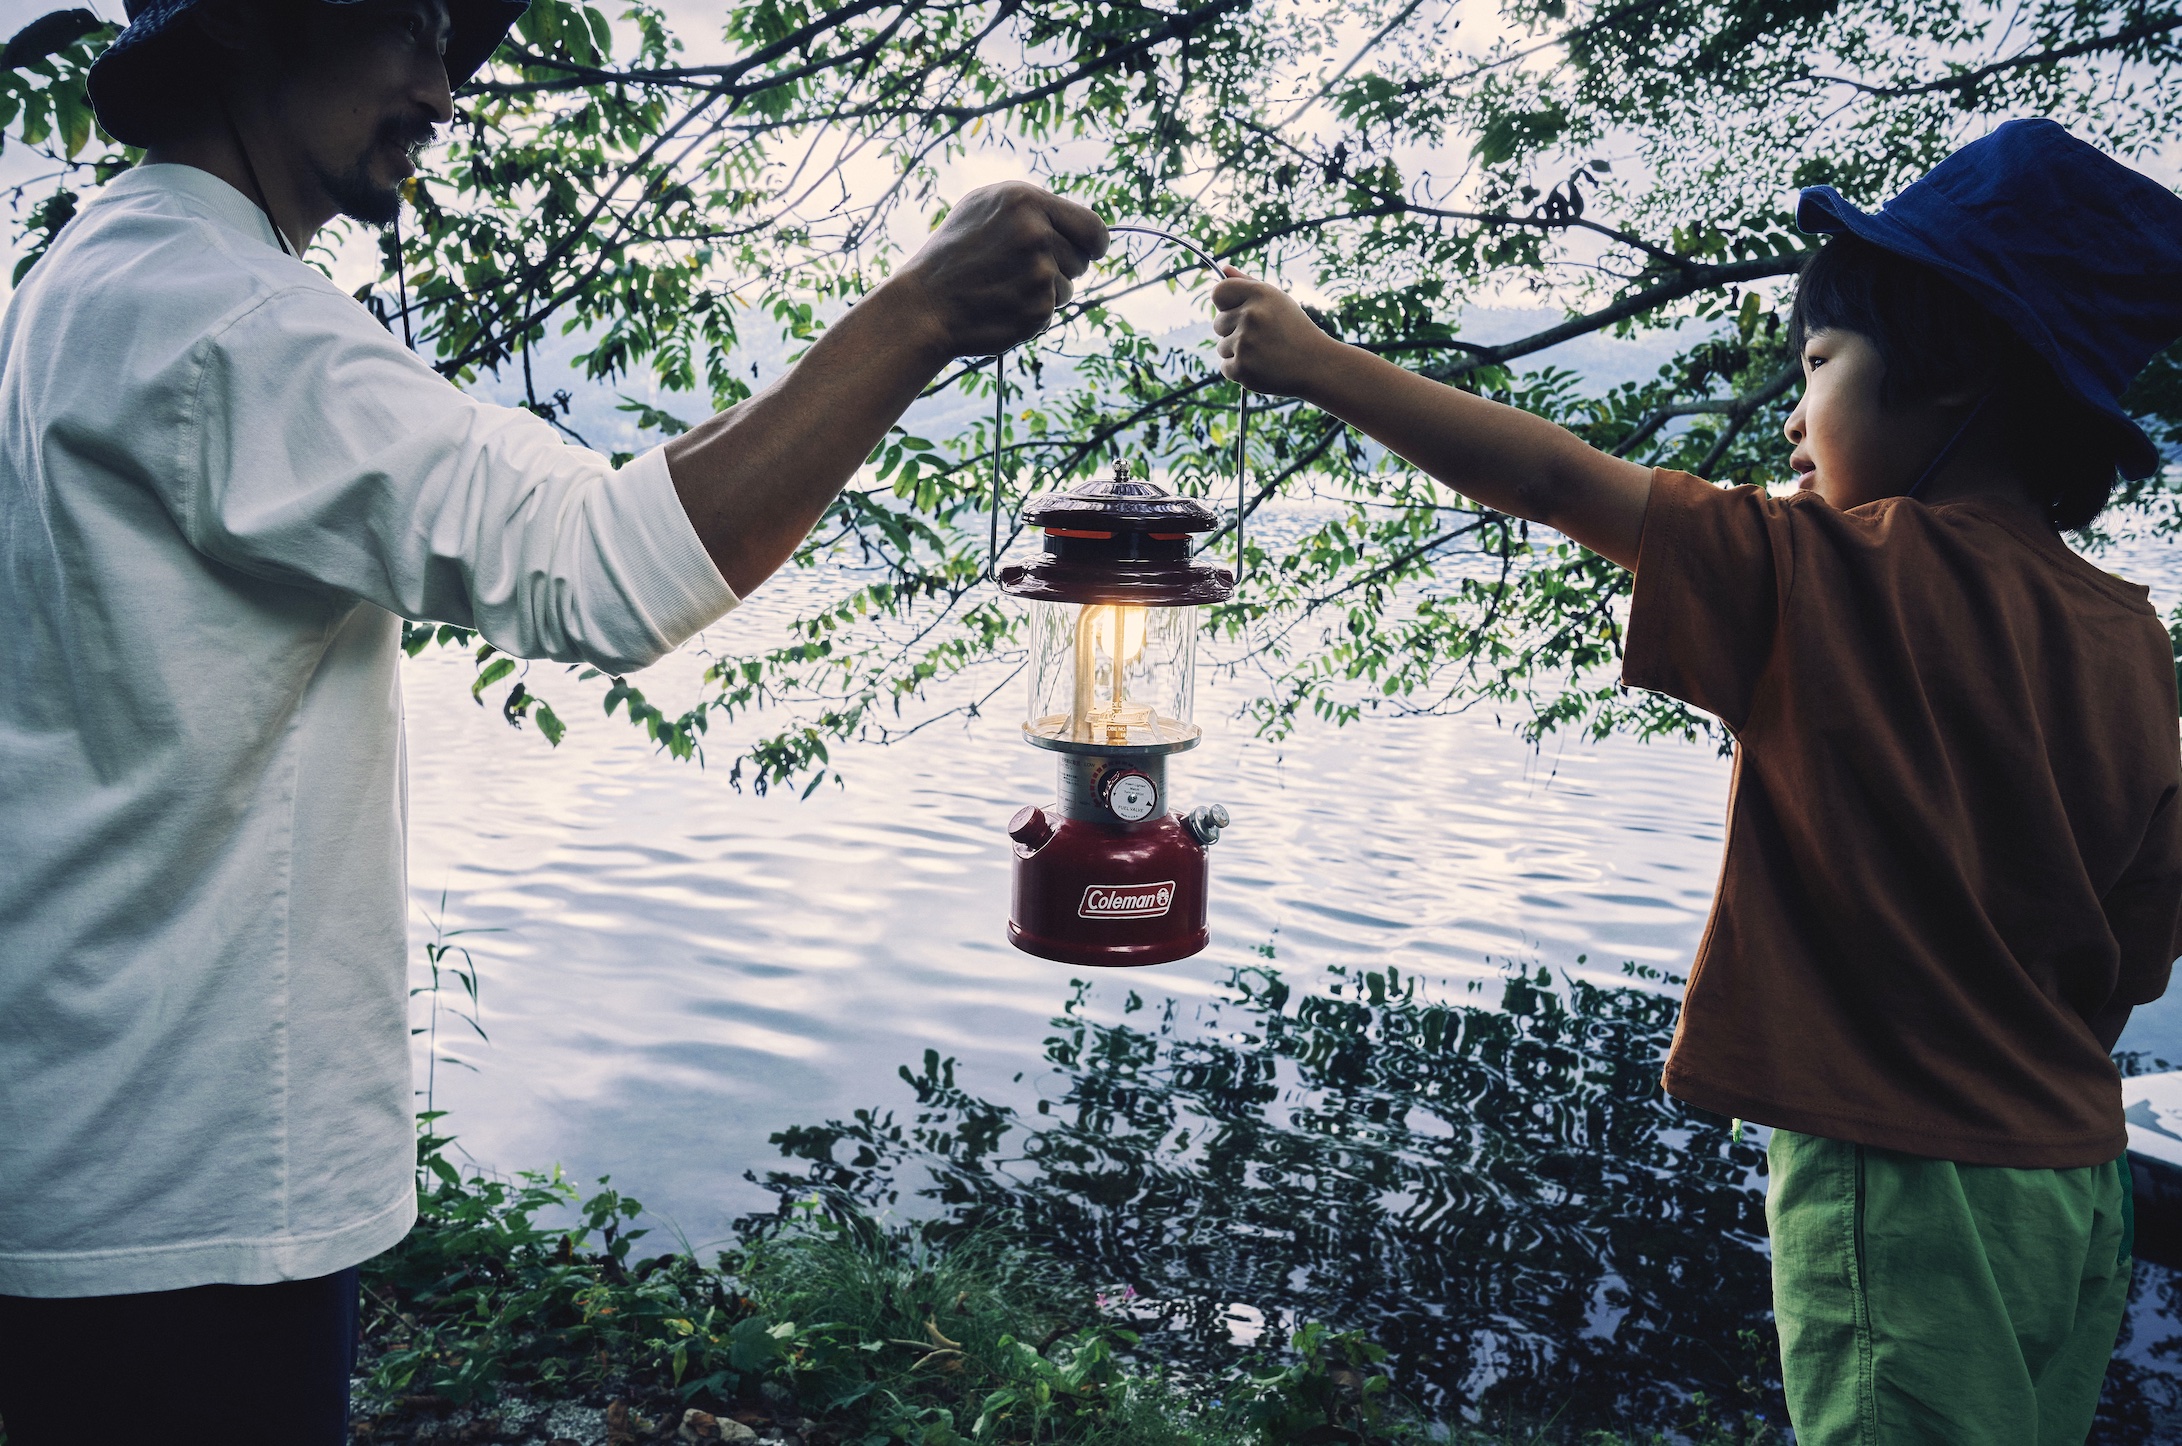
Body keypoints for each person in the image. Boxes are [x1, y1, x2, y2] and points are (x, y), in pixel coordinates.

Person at [0, 0, 1106, 1438]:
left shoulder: (111, 272)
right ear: (250, 35)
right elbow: (600, 574)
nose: (441, 85)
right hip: (189, 1188)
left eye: (451, 42)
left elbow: (598, 502)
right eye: (402, 27)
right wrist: (916, 317)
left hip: (93, 1127)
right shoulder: (234, 323)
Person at [1212, 119, 2182, 1444]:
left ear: (1951, 374)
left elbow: (1551, 476)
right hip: (2073, 1183)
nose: (1790, 412)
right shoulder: (2130, 634)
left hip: (1897, 1176)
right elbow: (2129, 956)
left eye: (1820, 362)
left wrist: (1320, 365)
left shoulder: (1822, 575)